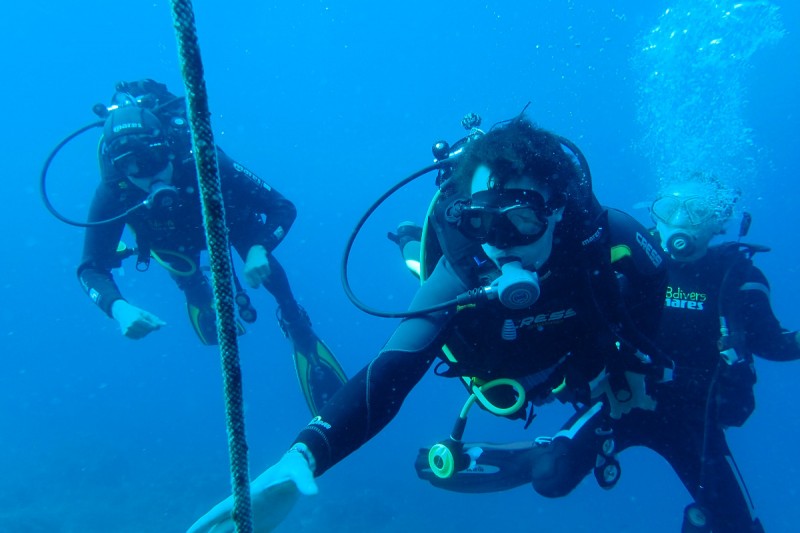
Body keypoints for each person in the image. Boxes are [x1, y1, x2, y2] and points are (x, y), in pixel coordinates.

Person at [187, 116, 673, 532]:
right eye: (484, 221)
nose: (501, 243)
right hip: (482, 346)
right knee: (424, 272)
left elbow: (654, 284)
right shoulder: (464, 264)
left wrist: (629, 360)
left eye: (522, 219)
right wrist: (303, 455)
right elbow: (392, 369)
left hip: (563, 360)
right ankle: (409, 242)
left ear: (560, 208)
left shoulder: (606, 236)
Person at [413, 176, 800, 532]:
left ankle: (701, 521)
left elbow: (777, 344)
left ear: (719, 223)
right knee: (552, 476)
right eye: (669, 209)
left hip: (696, 418)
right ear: (655, 214)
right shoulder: (628, 255)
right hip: (621, 400)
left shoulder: (734, 274)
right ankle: (512, 455)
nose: (683, 223)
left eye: (699, 213)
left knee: (738, 527)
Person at [77, 79, 347, 416]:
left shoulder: (203, 161)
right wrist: (118, 308)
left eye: (158, 158)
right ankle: (196, 292)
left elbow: (282, 207)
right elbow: (90, 267)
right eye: (135, 168)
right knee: (185, 272)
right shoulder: (114, 191)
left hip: (228, 224)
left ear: (168, 145)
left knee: (259, 257)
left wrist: (260, 249)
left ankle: (295, 319)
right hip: (170, 244)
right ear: (119, 167)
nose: (153, 176)